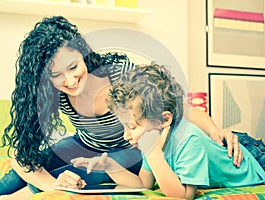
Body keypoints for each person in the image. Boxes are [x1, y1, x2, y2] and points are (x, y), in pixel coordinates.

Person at [0, 16, 242, 200]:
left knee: (56, 183)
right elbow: (20, 154)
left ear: (82, 54)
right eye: (57, 75)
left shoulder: (119, 75)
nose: (69, 81)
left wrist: (214, 131)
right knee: (27, 164)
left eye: (73, 67)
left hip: (130, 149)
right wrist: (51, 183)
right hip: (85, 142)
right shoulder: (53, 93)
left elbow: (178, 107)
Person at [68, 62, 265, 200]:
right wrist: (111, 166)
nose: (126, 136)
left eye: (133, 126)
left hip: (255, 158)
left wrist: (154, 155)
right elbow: (143, 183)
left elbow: (183, 196)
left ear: (164, 119)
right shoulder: (153, 138)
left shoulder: (188, 140)